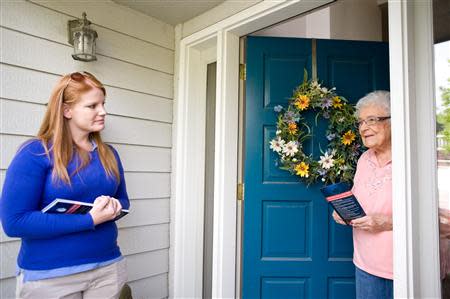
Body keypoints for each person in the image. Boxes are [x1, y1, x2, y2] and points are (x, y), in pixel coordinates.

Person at [0, 72, 130, 299]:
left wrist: (113, 208)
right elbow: (15, 222)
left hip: (108, 268)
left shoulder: (109, 154)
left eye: (103, 104)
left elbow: (124, 201)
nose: (103, 111)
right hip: (49, 277)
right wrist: (89, 220)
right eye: (92, 106)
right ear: (66, 110)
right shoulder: (35, 153)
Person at [332, 90, 393, 299]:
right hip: (365, 264)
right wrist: (344, 213)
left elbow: (441, 220)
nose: (363, 128)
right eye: (360, 122)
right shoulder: (364, 159)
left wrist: (388, 223)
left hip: (404, 267)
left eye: (372, 120)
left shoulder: (412, 159)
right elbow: (360, 200)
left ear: (393, 121)